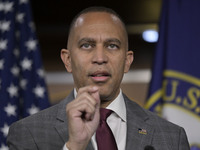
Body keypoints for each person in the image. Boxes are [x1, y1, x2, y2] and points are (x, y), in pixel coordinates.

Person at [7, 6, 190, 150]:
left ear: (127, 61)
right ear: (68, 60)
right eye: (87, 45)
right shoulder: (28, 133)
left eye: (112, 46)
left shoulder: (172, 138)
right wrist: (74, 147)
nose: (100, 58)